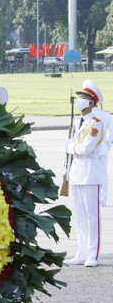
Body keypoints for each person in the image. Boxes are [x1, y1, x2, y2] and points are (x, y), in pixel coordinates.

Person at [64, 79, 111, 267]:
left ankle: (93, 254)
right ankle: (81, 253)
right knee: (80, 217)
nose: (79, 100)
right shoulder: (77, 122)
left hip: (91, 173)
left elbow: (85, 149)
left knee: (93, 218)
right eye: (79, 97)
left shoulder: (96, 124)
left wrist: (70, 147)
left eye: (83, 97)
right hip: (77, 173)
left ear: (91, 102)